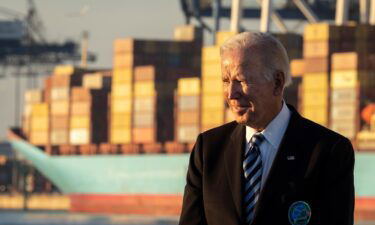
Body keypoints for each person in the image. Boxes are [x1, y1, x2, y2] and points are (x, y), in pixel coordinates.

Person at [178, 32, 354, 225]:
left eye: (242, 80)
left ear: (277, 83)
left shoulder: (329, 151)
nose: (231, 94)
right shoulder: (208, 149)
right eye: (226, 81)